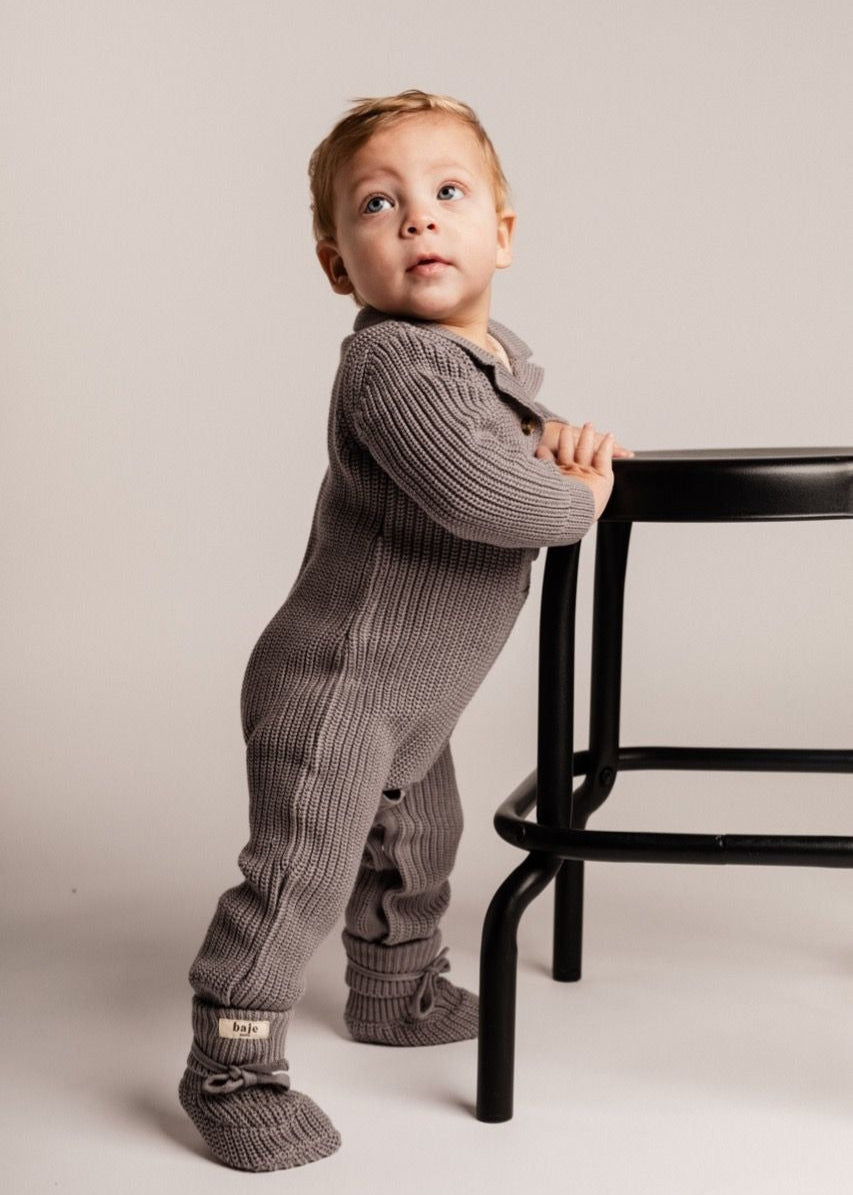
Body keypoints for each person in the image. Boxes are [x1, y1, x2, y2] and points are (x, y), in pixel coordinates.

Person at [178, 88, 631, 1173]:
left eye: (446, 193)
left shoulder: (482, 360)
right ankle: (229, 1065)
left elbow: (499, 434)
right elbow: (482, 493)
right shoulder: (394, 365)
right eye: (377, 206)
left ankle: (393, 987)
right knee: (300, 875)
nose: (418, 220)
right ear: (339, 265)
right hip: (337, 683)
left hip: (409, 693)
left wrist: (546, 434)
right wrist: (577, 496)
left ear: (501, 235)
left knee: (415, 843)